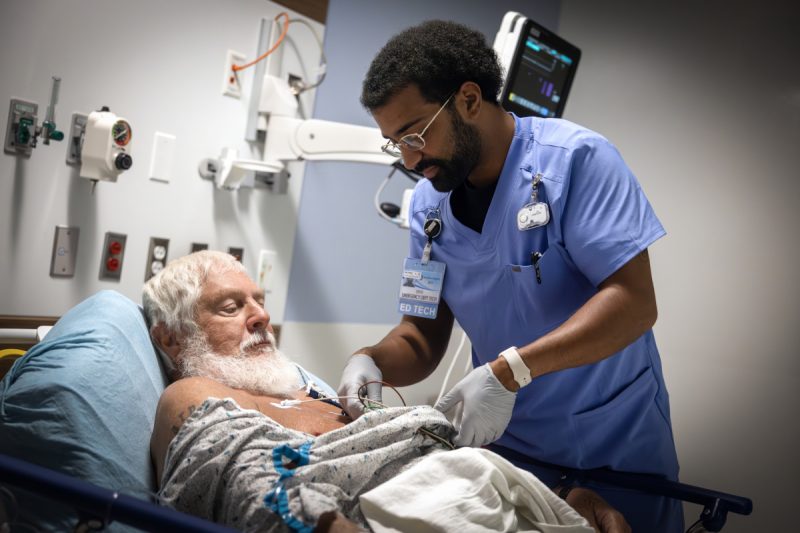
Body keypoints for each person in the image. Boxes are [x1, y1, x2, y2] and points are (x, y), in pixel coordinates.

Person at [338, 20, 682, 532]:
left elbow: (633, 302)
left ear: (470, 99)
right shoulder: (429, 205)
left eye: (414, 134)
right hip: (507, 455)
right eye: (395, 143)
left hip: (614, 451)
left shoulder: (578, 162)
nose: (410, 159)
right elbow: (420, 333)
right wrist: (369, 361)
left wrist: (510, 370)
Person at [143, 250, 629, 532]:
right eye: (231, 306)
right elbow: (248, 487)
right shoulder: (193, 393)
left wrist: (561, 494)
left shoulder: (312, 394)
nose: (261, 316)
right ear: (170, 337)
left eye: (260, 302)